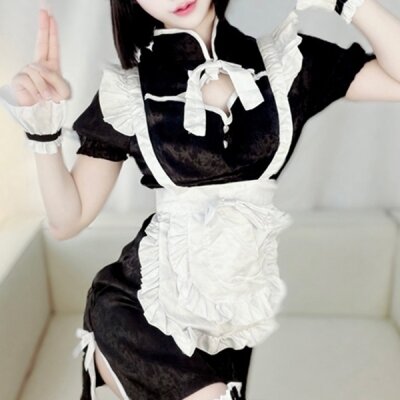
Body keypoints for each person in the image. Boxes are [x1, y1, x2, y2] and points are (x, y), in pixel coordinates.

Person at [1, 0, 399, 399]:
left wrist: (347, 2)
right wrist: (42, 129)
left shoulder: (286, 64)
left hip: (226, 325)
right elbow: (67, 220)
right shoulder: (129, 93)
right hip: (138, 310)